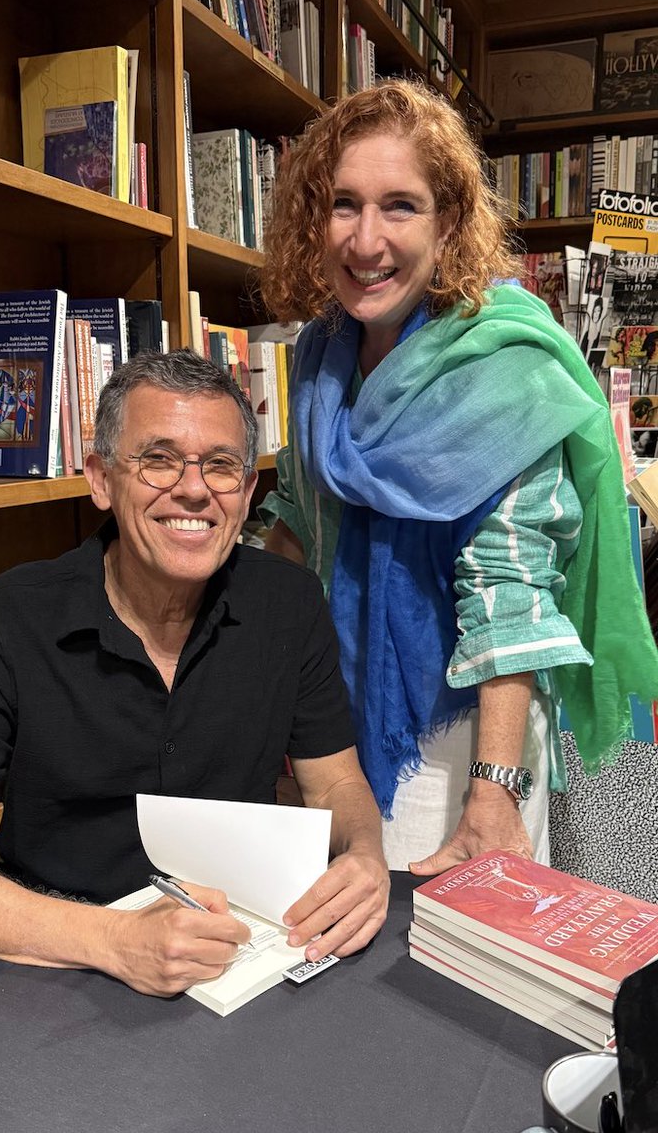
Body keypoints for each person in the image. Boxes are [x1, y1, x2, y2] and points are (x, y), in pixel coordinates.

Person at [0, 349, 388, 1121]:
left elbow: (338, 785)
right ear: (100, 478)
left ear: (248, 489)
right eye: (158, 460)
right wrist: (117, 942)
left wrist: (365, 855)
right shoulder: (4, 621)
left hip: (237, 954)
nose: (193, 488)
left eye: (222, 465)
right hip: (38, 953)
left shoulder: (289, 604)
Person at [257, 78, 658, 878]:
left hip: (462, 738)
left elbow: (510, 586)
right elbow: (300, 519)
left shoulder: (503, 365)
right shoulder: (317, 356)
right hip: (333, 711)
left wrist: (494, 790)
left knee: (442, 970)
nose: (365, 240)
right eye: (343, 203)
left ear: (447, 224)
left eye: (400, 205)